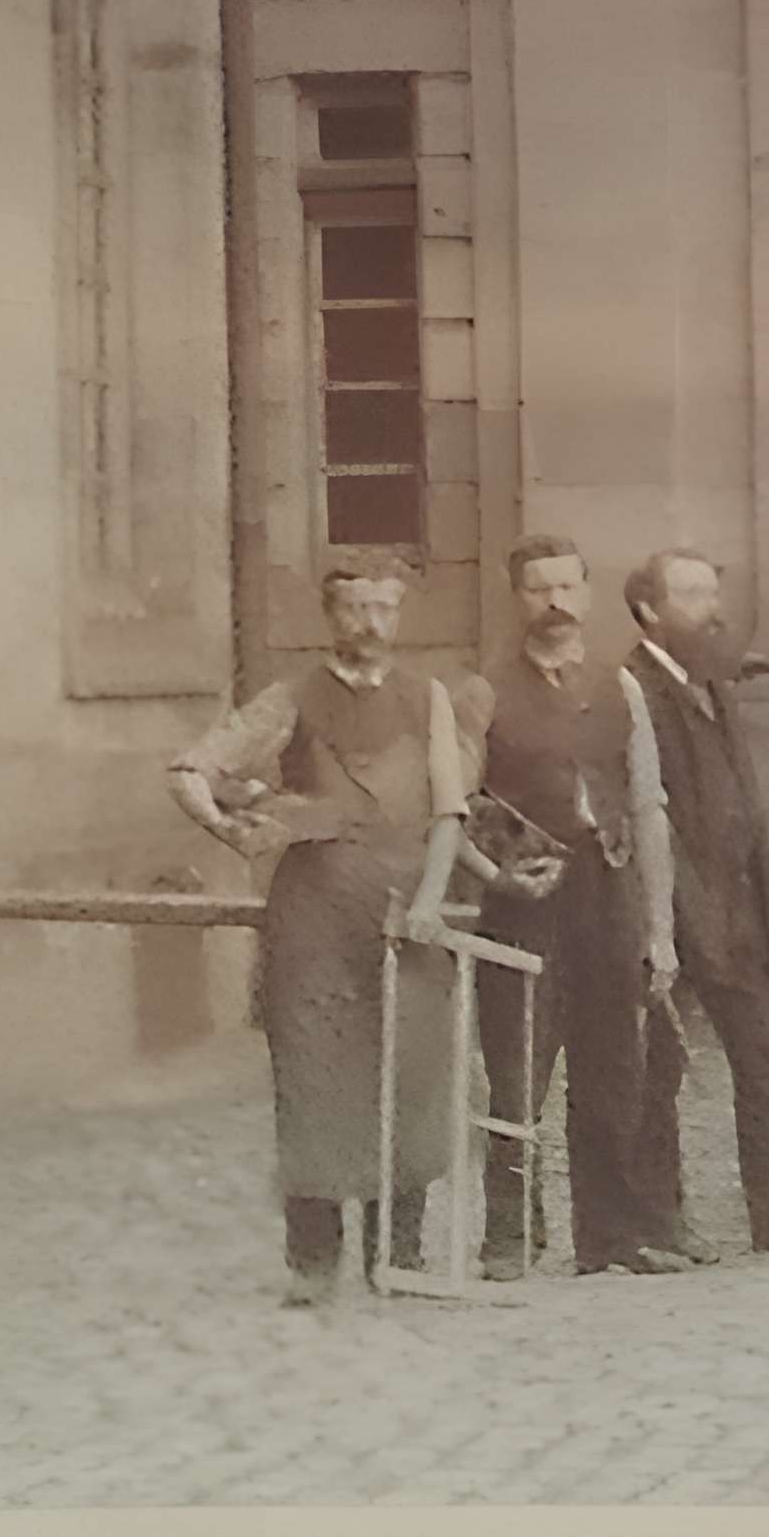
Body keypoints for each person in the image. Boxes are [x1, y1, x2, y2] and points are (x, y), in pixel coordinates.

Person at [167, 553, 477, 1307]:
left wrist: (432, 900)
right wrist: (229, 828)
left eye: (385, 608)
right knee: (314, 1080)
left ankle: (396, 1255)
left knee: (410, 1074)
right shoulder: (292, 697)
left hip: (405, 910)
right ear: (330, 614)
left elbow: (448, 811)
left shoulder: (428, 698)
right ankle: (312, 1262)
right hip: (314, 917)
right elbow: (190, 771)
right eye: (355, 608)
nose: (371, 624)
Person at [460, 535, 692, 1279]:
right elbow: (461, 805)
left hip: (607, 886)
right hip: (525, 899)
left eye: (566, 587)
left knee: (614, 1063)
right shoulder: (483, 692)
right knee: (516, 1068)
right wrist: (500, 874)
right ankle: (510, 1237)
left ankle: (610, 1235)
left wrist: (660, 927)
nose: (555, 603)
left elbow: (649, 807)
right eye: (539, 589)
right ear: (516, 599)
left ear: (587, 596)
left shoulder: (620, 686)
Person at [622, 547, 769, 1255]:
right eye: (694, 596)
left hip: (741, 907)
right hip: (673, 908)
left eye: (713, 593)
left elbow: (745, 801)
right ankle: (660, 1222)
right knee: (660, 1072)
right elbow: (649, 812)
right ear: (650, 610)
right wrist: (673, 918)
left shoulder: (714, 683)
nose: (713, 611)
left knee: (766, 1060)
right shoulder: (632, 689)